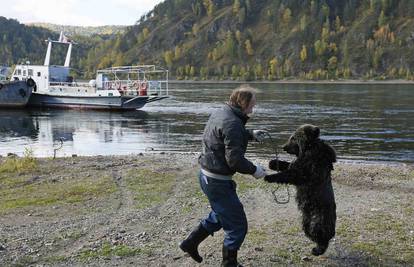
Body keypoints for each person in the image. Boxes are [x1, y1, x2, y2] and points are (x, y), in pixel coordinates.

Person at [179, 85, 268, 267]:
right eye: (252, 104)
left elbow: (224, 136)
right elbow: (234, 161)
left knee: (222, 214)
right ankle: (229, 264)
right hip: (216, 181)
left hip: (207, 176)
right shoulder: (233, 123)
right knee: (237, 225)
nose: (253, 108)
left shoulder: (223, 112)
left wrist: (250, 134)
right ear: (243, 104)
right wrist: (255, 170)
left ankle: (190, 243)